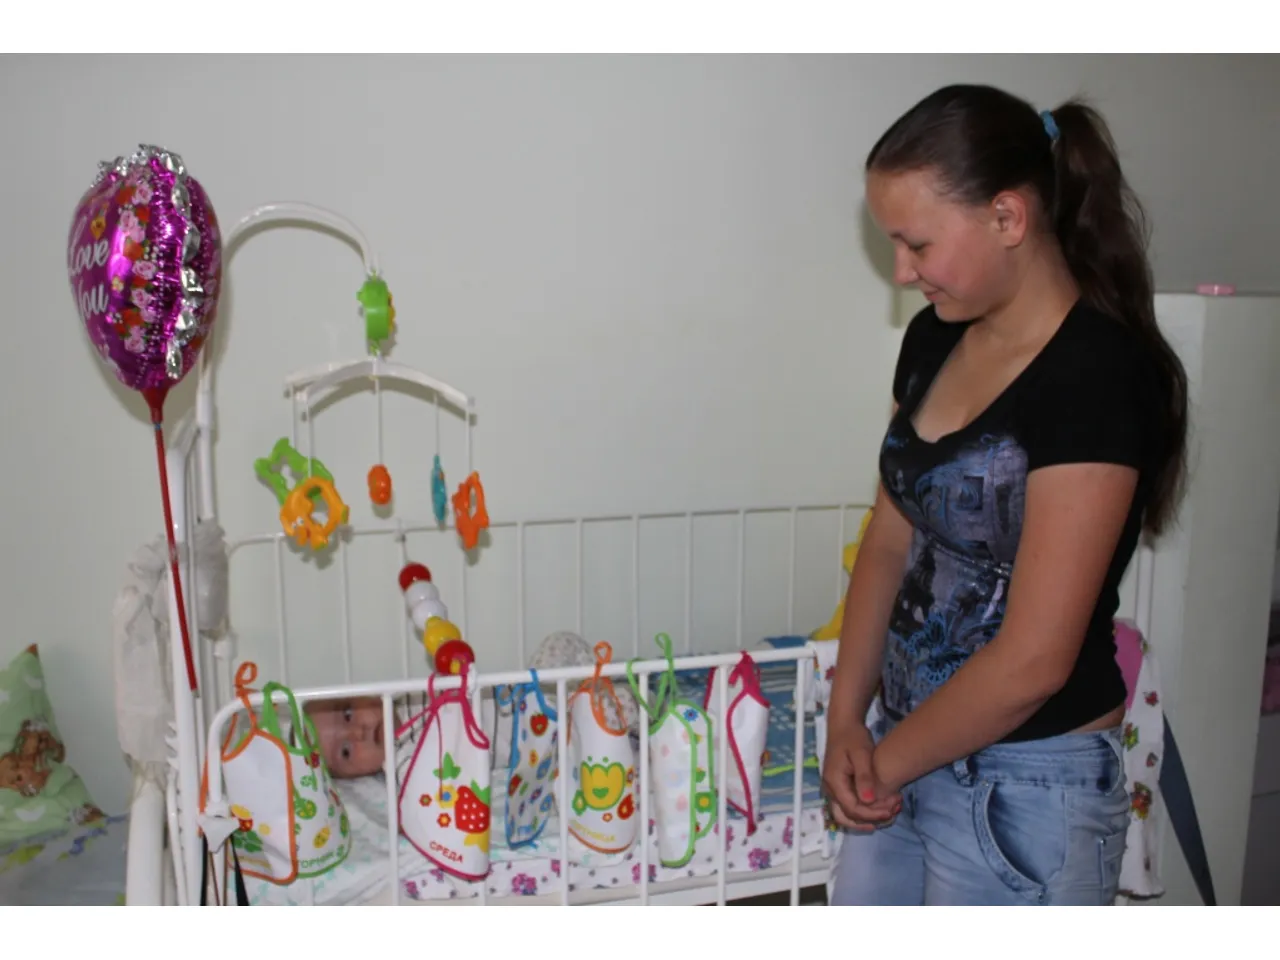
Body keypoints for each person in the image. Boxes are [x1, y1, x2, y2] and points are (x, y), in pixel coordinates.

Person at [822, 83, 1189, 906]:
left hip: (1025, 791)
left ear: (1008, 218)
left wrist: (881, 764)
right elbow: (888, 541)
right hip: (900, 753)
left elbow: (1033, 661)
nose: (902, 272)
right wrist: (847, 719)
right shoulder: (932, 339)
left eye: (916, 244)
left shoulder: (1095, 376)